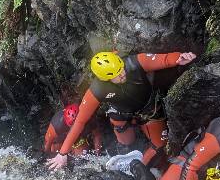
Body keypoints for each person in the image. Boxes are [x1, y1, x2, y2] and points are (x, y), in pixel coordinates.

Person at [47, 51, 197, 171]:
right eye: (116, 75)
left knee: (159, 146)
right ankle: (124, 158)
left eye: (121, 69)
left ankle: (136, 168)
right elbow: (80, 121)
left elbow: (163, 59)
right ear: (105, 79)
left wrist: (179, 57)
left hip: (147, 109)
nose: (122, 74)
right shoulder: (98, 89)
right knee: (127, 144)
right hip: (121, 114)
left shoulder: (133, 63)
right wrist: (63, 153)